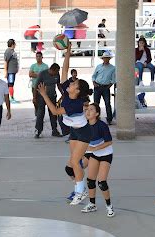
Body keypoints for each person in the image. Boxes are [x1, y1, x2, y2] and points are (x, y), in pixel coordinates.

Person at [37, 43, 93, 206]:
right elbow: (64, 69)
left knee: (75, 163)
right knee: (72, 166)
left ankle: (80, 191)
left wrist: (44, 94)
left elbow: (54, 111)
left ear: (76, 91)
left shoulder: (73, 104)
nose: (71, 83)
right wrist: (68, 52)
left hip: (84, 133)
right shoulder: (67, 93)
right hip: (74, 133)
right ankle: (82, 177)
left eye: (74, 84)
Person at [81, 103, 115, 218]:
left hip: (106, 154)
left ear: (96, 114)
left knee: (101, 182)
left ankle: (109, 206)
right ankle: (92, 204)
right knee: (90, 180)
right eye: (87, 110)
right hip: (94, 154)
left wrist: (95, 148)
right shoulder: (84, 126)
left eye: (91, 110)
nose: (88, 111)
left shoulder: (102, 125)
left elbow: (109, 142)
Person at [34, 63, 63, 138]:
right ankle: (38, 131)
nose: (57, 73)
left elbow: (58, 84)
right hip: (42, 97)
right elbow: (36, 86)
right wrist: (34, 98)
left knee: (53, 114)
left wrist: (63, 93)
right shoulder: (42, 74)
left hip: (52, 97)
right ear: (52, 70)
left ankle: (54, 130)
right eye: (56, 72)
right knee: (40, 114)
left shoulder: (57, 74)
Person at [92, 51, 116, 125]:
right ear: (103, 59)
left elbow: (113, 79)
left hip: (105, 87)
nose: (106, 59)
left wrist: (108, 86)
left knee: (107, 103)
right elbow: (94, 76)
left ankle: (109, 119)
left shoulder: (113, 68)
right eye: (105, 58)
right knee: (96, 103)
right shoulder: (98, 66)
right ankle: (95, 118)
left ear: (109, 59)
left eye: (107, 58)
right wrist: (94, 82)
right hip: (97, 86)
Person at [59, 69, 78, 138]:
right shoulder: (67, 84)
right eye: (74, 73)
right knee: (62, 119)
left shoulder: (79, 83)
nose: (75, 74)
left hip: (73, 106)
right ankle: (67, 133)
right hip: (67, 105)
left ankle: (72, 134)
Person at [4, 39, 19, 103]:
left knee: (11, 84)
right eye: (15, 44)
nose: (15, 45)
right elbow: (5, 61)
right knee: (10, 85)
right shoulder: (8, 51)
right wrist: (5, 71)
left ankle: (9, 97)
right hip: (10, 72)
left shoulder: (12, 51)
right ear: (12, 44)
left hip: (13, 72)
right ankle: (11, 98)